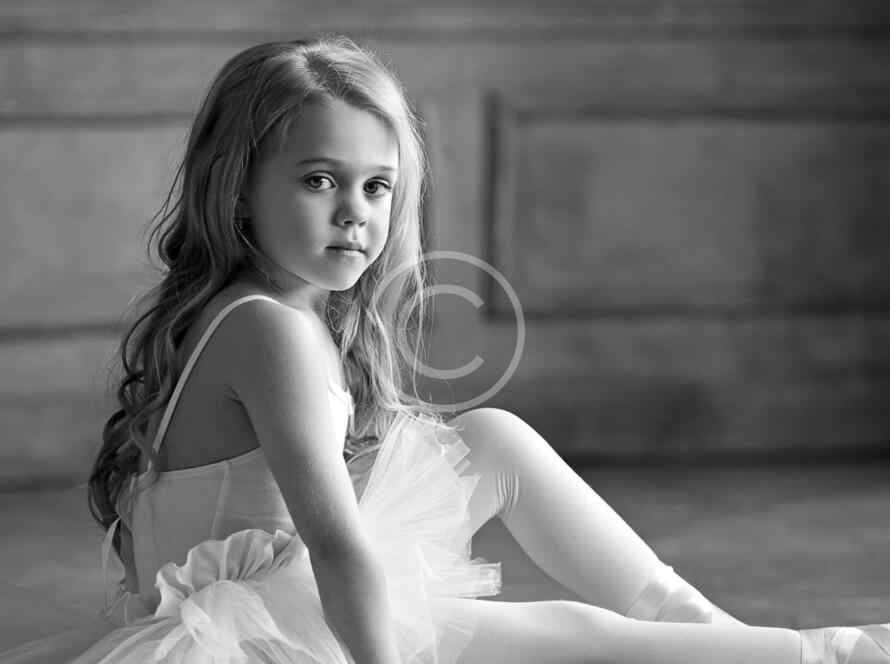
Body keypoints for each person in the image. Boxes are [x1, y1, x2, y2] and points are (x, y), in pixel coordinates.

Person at [2, 35, 887, 664]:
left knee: (490, 438)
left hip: (280, 589)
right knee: (565, 636)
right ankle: (824, 654)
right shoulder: (267, 330)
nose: (354, 213)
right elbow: (336, 546)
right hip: (261, 634)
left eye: (376, 186)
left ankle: (718, 637)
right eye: (319, 180)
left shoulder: (257, 311)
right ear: (237, 189)